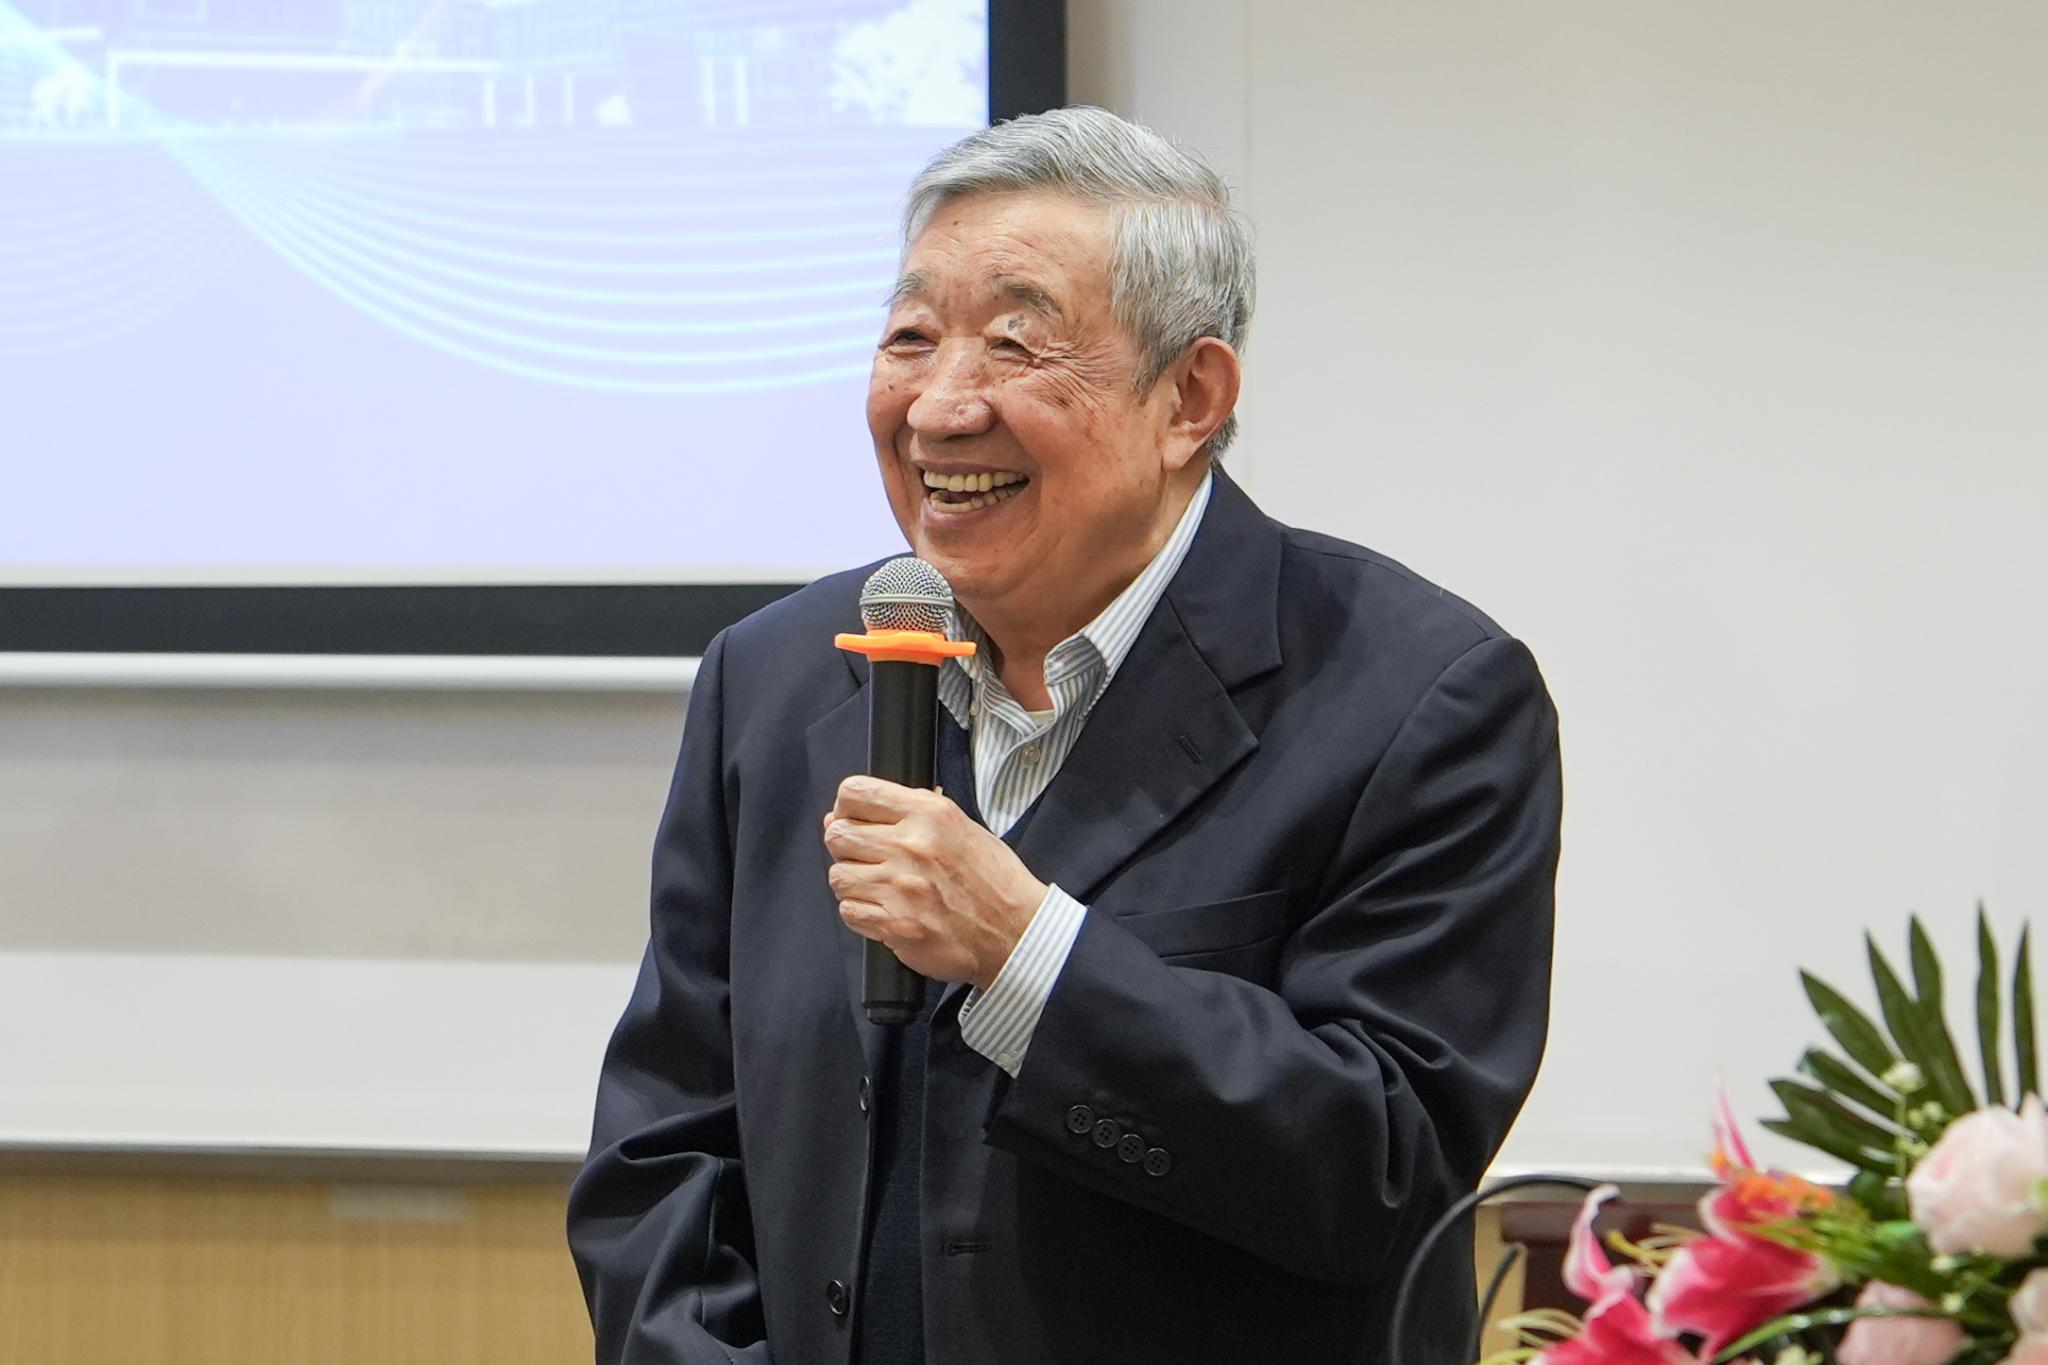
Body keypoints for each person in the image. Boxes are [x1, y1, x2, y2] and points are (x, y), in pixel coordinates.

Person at [567, 106, 1561, 1365]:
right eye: (910, 338)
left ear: (1188, 397)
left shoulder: (1419, 696)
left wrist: (1026, 953)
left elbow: (1386, 1171)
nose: (938, 407)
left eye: (1014, 343)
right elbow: (665, 1146)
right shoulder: (771, 678)